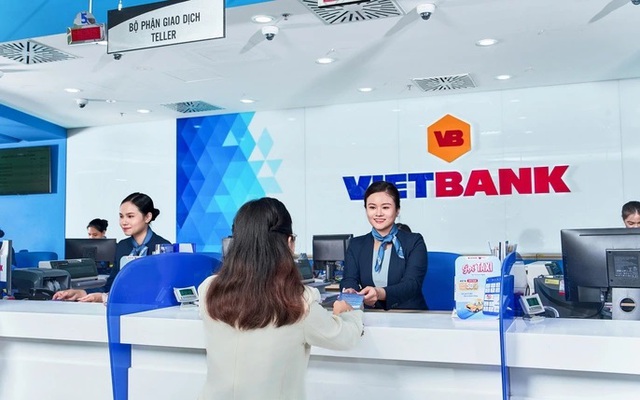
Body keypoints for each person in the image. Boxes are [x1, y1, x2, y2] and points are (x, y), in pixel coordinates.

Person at [198, 197, 363, 400]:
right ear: (288, 243)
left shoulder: (208, 290)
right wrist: (347, 313)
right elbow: (344, 338)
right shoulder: (296, 301)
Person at [53, 192, 170, 302]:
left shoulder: (164, 247)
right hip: (123, 309)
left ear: (147, 217)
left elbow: (162, 290)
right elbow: (111, 285)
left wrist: (104, 297)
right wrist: (81, 293)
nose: (123, 222)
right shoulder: (122, 246)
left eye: (130, 216)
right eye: (121, 216)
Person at [340, 181, 428, 310]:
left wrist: (379, 293)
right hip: (370, 314)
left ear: (397, 210)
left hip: (408, 313)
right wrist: (350, 291)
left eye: (385, 207)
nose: (378, 213)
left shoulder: (414, 242)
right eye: (372, 207)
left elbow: (412, 285)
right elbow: (349, 279)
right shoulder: (356, 244)